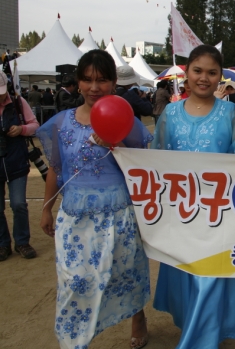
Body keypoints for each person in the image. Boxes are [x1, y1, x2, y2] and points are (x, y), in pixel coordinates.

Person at [37, 49, 151, 349]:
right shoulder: (61, 123)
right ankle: (74, 340)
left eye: (102, 80)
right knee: (74, 281)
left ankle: (137, 317)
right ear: (78, 82)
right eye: (87, 80)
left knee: (124, 272)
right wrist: (47, 209)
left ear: (114, 83)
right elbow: (55, 168)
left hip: (119, 214)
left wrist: (118, 144)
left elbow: (143, 166)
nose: (94, 87)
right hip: (75, 217)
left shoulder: (129, 121)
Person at [152, 44, 235, 349]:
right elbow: (154, 161)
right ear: (186, 73)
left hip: (217, 216)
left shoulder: (229, 113)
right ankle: (196, 330)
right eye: (197, 71)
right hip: (179, 215)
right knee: (185, 279)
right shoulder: (170, 113)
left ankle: (199, 343)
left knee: (209, 279)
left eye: (212, 72)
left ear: (220, 77)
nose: (204, 78)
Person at [0, 72, 39, 261]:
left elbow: (35, 125)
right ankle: (2, 244)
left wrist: (21, 129)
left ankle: (22, 241)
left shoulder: (17, 102)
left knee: (18, 204)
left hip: (16, 160)